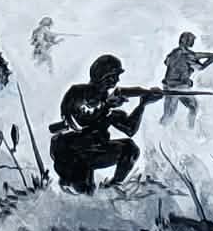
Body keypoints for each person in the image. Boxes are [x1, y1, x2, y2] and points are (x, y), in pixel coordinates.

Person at [48, 54, 160, 194]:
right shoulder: (77, 92)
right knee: (82, 193)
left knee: (130, 149)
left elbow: (130, 129)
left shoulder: (107, 103)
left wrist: (142, 104)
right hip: (72, 154)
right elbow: (78, 121)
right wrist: (106, 106)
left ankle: (114, 186)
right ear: (103, 76)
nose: (117, 80)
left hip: (95, 150)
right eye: (114, 76)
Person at [159, 30, 213, 127]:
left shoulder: (174, 52)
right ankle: (190, 128)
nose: (193, 42)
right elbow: (200, 67)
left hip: (168, 86)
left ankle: (189, 129)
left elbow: (167, 62)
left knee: (171, 113)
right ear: (186, 41)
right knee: (188, 109)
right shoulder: (187, 55)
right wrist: (211, 60)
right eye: (191, 40)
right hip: (179, 87)